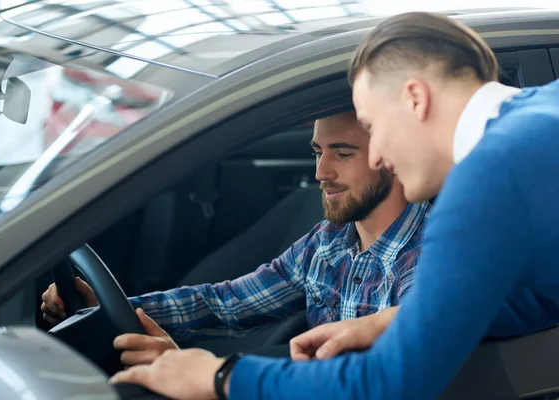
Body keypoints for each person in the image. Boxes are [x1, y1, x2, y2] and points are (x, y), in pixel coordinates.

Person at [110, 12, 559, 400]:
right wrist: (389, 322)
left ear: (415, 99)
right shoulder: (543, 112)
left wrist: (219, 375)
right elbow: (544, 300)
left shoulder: (486, 177)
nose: (380, 155)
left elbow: (389, 385)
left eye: (370, 125)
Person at [42, 111, 430, 366]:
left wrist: (208, 376)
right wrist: (112, 308)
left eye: (342, 154)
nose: (320, 172)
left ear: (392, 156)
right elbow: (227, 304)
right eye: (317, 153)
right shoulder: (329, 241)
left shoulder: (430, 261)